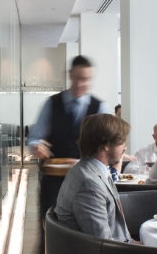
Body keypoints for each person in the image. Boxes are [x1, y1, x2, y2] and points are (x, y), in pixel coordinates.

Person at [27, 55, 113, 217]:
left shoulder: (100, 107)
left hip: (88, 183)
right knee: (51, 230)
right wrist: (36, 146)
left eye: (86, 79)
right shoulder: (51, 104)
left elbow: (108, 147)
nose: (81, 84)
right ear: (69, 75)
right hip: (54, 183)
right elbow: (34, 137)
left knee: (84, 231)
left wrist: (83, 163)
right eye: (77, 78)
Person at [53, 114, 132, 243]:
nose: (125, 147)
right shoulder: (88, 183)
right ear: (106, 144)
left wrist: (133, 242)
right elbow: (103, 244)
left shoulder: (89, 170)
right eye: (122, 142)